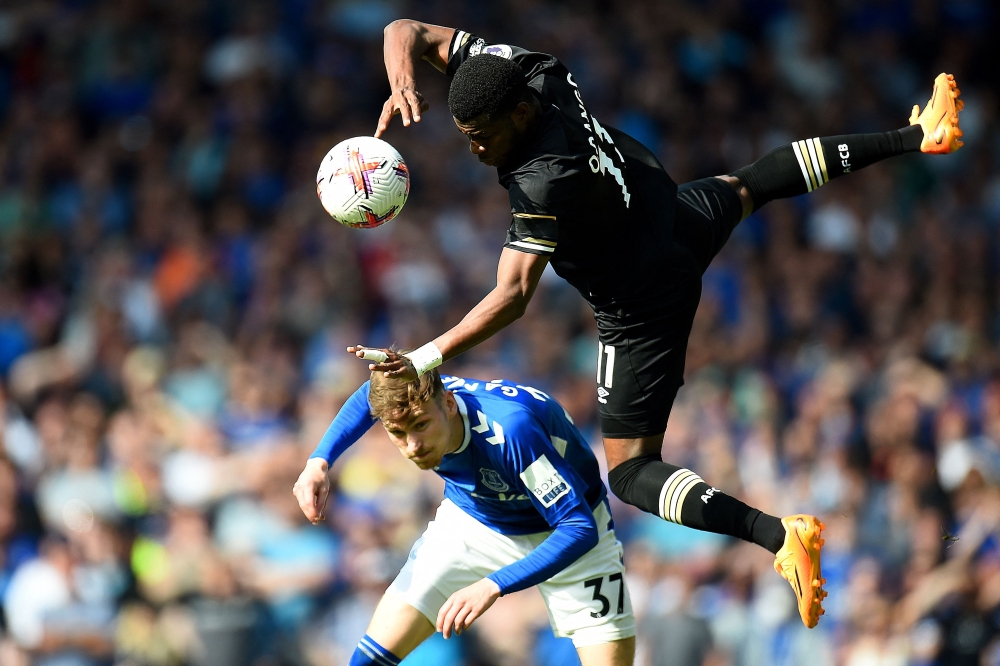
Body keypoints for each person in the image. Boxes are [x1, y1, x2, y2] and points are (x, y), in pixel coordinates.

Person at [356, 19, 966, 628]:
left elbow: (513, 295)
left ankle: (781, 537)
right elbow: (404, 28)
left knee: (629, 470)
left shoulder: (545, 178)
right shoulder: (528, 70)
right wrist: (404, 78)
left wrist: (427, 355)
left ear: (517, 115)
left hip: (641, 305)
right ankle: (920, 134)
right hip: (668, 214)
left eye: (481, 135)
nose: (474, 149)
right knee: (750, 184)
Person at [293, 370, 637, 666]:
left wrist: (493, 585)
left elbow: (578, 527)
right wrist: (319, 462)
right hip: (476, 521)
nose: (412, 445)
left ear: (449, 404)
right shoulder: (409, 397)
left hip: (567, 531)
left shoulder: (510, 432)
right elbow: (368, 394)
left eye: (421, 425)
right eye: (398, 433)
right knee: (371, 658)